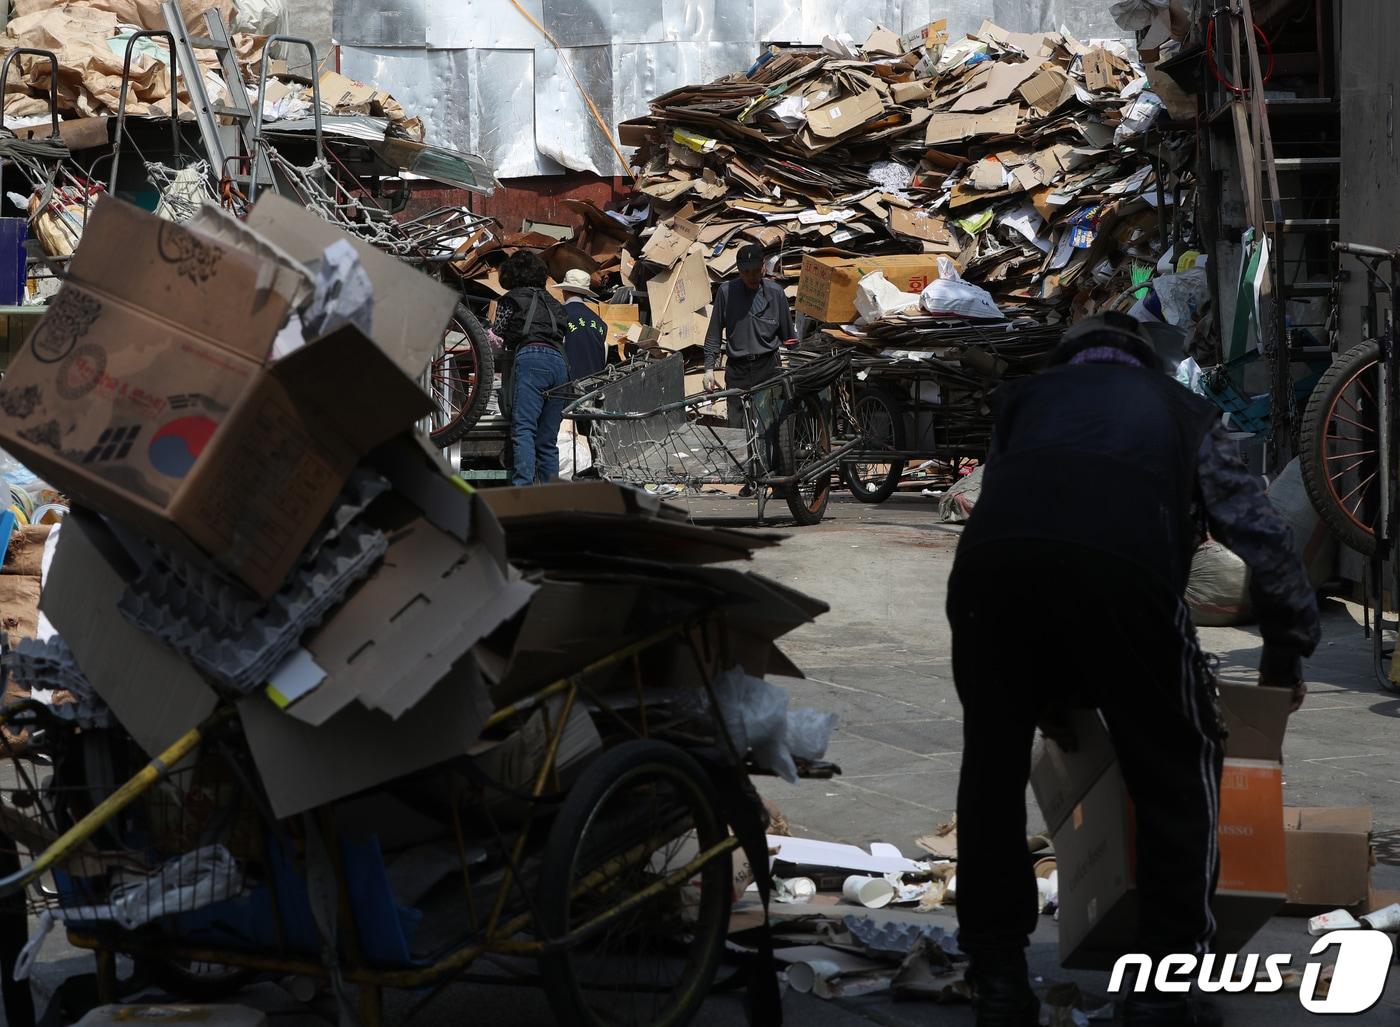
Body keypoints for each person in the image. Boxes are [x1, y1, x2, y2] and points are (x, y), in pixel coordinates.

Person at [946, 312, 1320, 1027]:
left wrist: (1046, 690)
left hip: (988, 582)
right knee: (1179, 762)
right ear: (1146, 365)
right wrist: (1283, 652)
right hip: (1125, 576)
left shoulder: (1026, 400)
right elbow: (1262, 536)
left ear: (1068, 361)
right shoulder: (1180, 410)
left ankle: (996, 975)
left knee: (989, 773)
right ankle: (1165, 982)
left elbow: (1026, 516)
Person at [491, 251, 569, 486]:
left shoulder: (512, 299)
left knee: (524, 430)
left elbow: (498, 333)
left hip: (531, 359)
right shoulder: (555, 303)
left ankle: (524, 491)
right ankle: (551, 494)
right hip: (559, 364)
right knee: (547, 439)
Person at [702, 244, 795, 429]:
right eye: (746, 272)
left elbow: (789, 337)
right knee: (737, 428)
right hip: (738, 370)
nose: (752, 276)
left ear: (763, 267)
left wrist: (796, 364)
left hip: (767, 367)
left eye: (755, 271)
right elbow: (714, 332)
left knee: (769, 427)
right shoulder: (726, 292)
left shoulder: (775, 293)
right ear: (739, 270)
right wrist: (709, 369)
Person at [559, 268, 608, 383]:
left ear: (563, 291)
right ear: (585, 293)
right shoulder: (600, 322)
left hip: (566, 387)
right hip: (595, 386)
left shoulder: (558, 315)